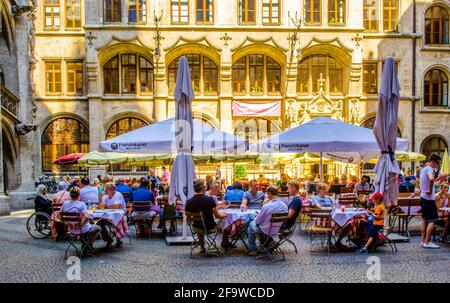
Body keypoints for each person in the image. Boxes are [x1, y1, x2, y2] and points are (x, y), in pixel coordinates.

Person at [185, 179, 227, 253]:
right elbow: (217, 216)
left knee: (200, 226)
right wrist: (223, 215)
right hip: (209, 227)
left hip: (196, 227)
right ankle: (224, 243)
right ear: (202, 188)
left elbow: (188, 219)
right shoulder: (210, 200)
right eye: (205, 186)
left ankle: (202, 247)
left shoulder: (189, 202)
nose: (206, 187)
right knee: (225, 222)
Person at [245, 186, 288, 256]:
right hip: (277, 229)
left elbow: (258, 222)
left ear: (270, 194)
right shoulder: (284, 206)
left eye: (267, 194)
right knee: (254, 219)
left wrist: (257, 217)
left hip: (266, 230)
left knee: (250, 224)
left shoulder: (267, 206)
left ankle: (252, 248)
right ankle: (265, 244)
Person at [60, 187, 101, 256]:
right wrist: (80, 224)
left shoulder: (65, 204)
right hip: (82, 229)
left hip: (71, 229)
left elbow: (60, 215)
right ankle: (88, 245)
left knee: (88, 228)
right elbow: (87, 216)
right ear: (79, 195)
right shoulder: (81, 204)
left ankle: (85, 244)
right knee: (98, 228)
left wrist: (66, 223)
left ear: (70, 195)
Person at [419, 154, 442, 249]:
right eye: (437, 163)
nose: (438, 165)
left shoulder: (423, 169)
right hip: (428, 199)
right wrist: (429, 189)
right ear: (433, 161)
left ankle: (422, 241)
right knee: (433, 220)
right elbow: (431, 178)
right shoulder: (429, 169)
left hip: (423, 197)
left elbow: (427, 180)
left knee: (424, 219)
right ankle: (427, 242)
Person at [98, 182, 126, 249]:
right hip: (108, 216)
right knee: (99, 222)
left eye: (107, 189)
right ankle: (108, 239)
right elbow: (101, 206)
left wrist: (107, 207)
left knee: (118, 221)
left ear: (113, 189)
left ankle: (119, 240)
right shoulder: (106, 196)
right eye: (105, 189)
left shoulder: (118, 194)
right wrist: (101, 197)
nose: (105, 191)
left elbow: (116, 207)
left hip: (119, 216)